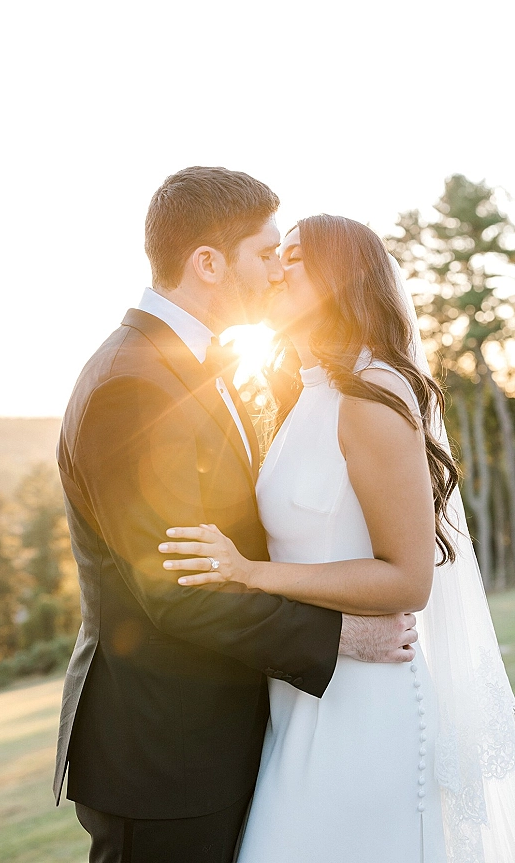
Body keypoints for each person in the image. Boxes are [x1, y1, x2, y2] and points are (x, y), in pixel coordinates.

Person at [53, 170, 417, 863]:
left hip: (224, 734)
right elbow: (179, 591)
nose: (278, 268)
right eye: (265, 252)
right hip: (164, 757)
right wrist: (340, 638)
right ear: (209, 263)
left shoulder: (199, 367)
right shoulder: (131, 383)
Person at [161, 214, 515, 861]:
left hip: (368, 703)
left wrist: (248, 573)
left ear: (336, 281)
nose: (274, 269)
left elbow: (408, 579)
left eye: (291, 258)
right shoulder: (308, 397)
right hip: (302, 695)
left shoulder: (372, 396)